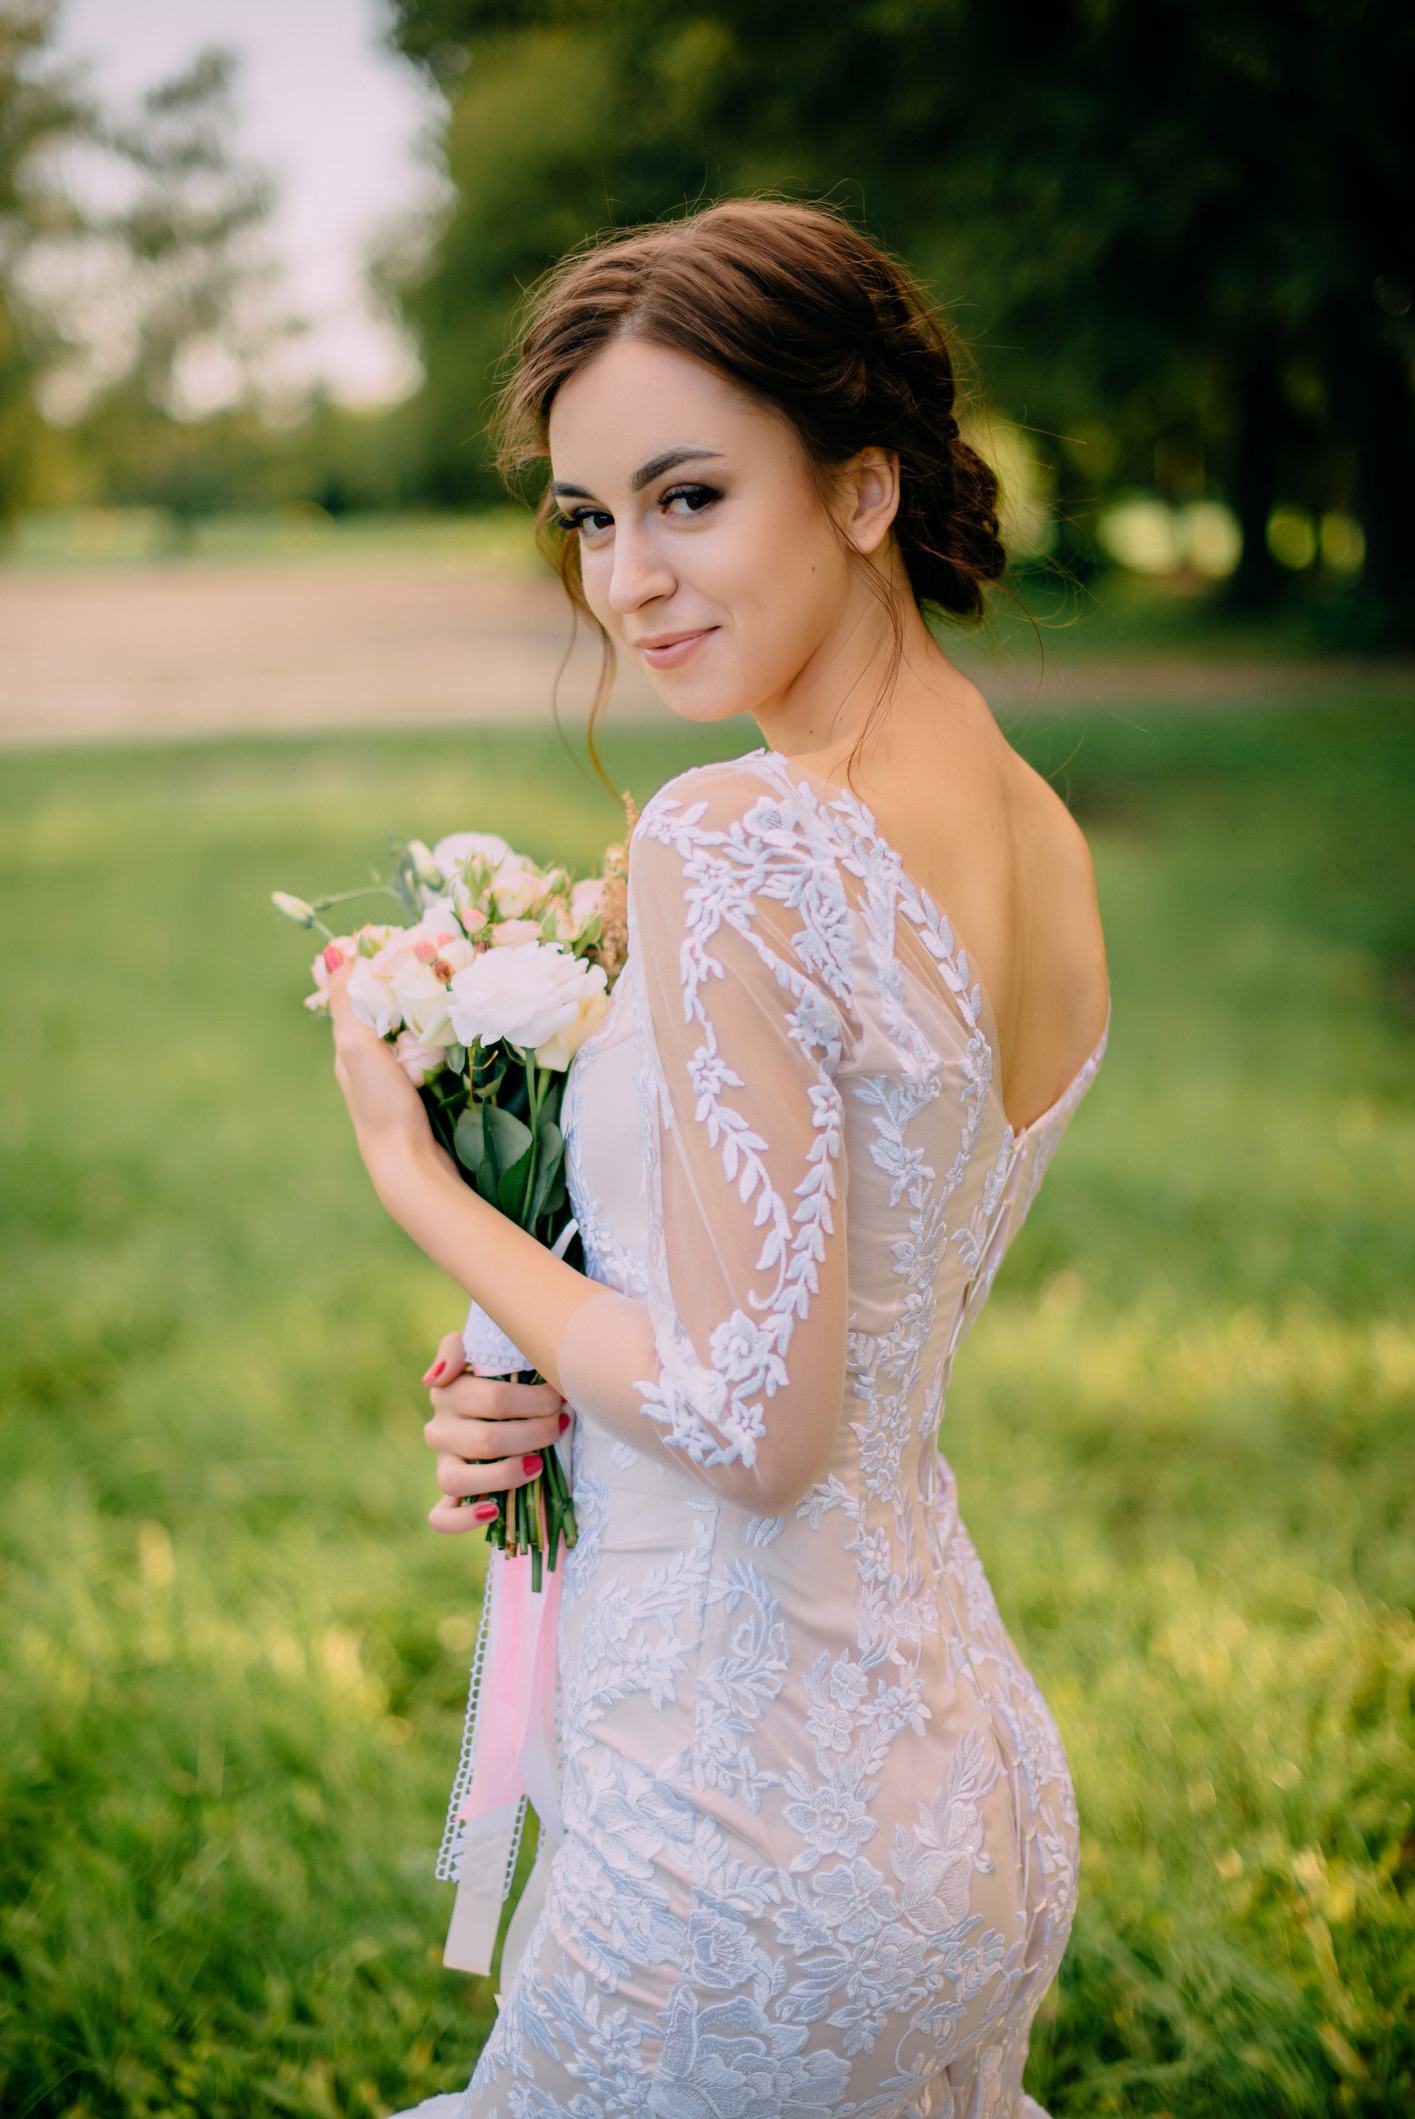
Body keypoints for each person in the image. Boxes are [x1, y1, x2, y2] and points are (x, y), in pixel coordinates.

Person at [326, 199, 1109, 2119]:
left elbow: (759, 1416)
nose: (629, 578)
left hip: (740, 1822)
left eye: (688, 496)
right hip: (958, 1779)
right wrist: (532, 1365)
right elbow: (817, 1299)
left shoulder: (736, 841)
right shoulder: (1029, 819)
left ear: (863, 487)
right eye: (591, 518)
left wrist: (420, 1184)